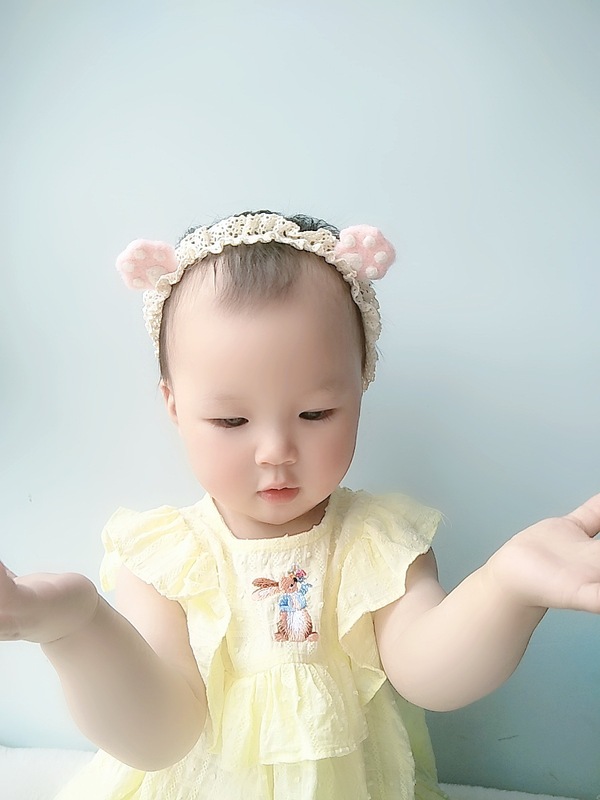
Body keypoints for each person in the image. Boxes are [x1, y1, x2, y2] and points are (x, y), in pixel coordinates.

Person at [1, 210, 599, 800]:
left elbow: (431, 675)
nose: (276, 452)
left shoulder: (376, 541)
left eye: (316, 414)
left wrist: (506, 587)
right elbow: (160, 735)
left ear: (361, 383)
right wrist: (76, 628)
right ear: (174, 404)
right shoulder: (165, 558)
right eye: (231, 420)